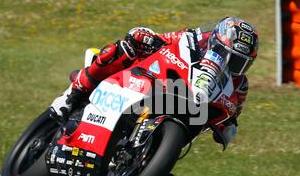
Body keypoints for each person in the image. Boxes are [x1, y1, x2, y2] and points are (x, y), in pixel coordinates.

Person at [50, 17, 259, 145]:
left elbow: (231, 122)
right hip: (152, 82)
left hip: (186, 112)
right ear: (214, 42)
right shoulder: (191, 38)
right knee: (128, 46)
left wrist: (226, 128)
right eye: (226, 55)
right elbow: (159, 38)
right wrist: (147, 38)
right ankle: (73, 93)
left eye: (239, 62)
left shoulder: (239, 86)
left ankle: (145, 156)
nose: (229, 64)